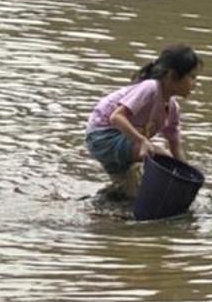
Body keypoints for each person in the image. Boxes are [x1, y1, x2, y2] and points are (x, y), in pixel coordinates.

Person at [86, 45, 201, 193]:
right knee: (162, 155)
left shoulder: (172, 109)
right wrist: (142, 141)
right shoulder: (151, 88)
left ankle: (105, 206)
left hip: (121, 142)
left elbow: (175, 144)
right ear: (172, 75)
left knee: (132, 195)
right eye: (192, 77)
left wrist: (188, 175)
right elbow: (116, 117)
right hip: (103, 137)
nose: (195, 84)